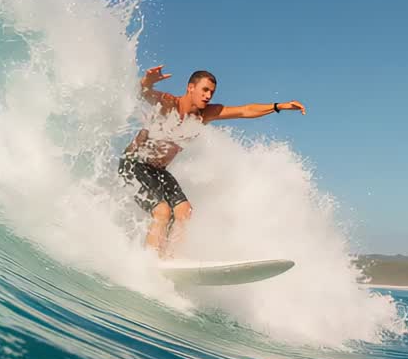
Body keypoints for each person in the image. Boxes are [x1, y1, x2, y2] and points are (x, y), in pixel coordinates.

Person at [119, 66, 305, 257]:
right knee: (162, 212)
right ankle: (149, 261)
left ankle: (169, 259)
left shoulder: (205, 114)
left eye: (212, 92)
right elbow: (144, 93)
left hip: (158, 170)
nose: (208, 96)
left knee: (184, 211)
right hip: (133, 164)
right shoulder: (169, 104)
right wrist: (147, 81)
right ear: (190, 87)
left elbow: (245, 110)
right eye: (205, 90)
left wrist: (278, 106)